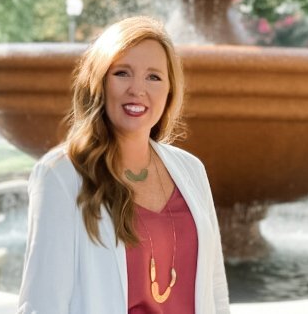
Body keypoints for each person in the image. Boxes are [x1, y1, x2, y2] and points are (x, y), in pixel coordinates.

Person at [17, 16, 231, 314]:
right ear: (99, 81)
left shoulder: (191, 170)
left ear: (169, 91)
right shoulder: (61, 175)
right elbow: (43, 302)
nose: (137, 89)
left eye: (154, 77)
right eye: (122, 73)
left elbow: (215, 291)